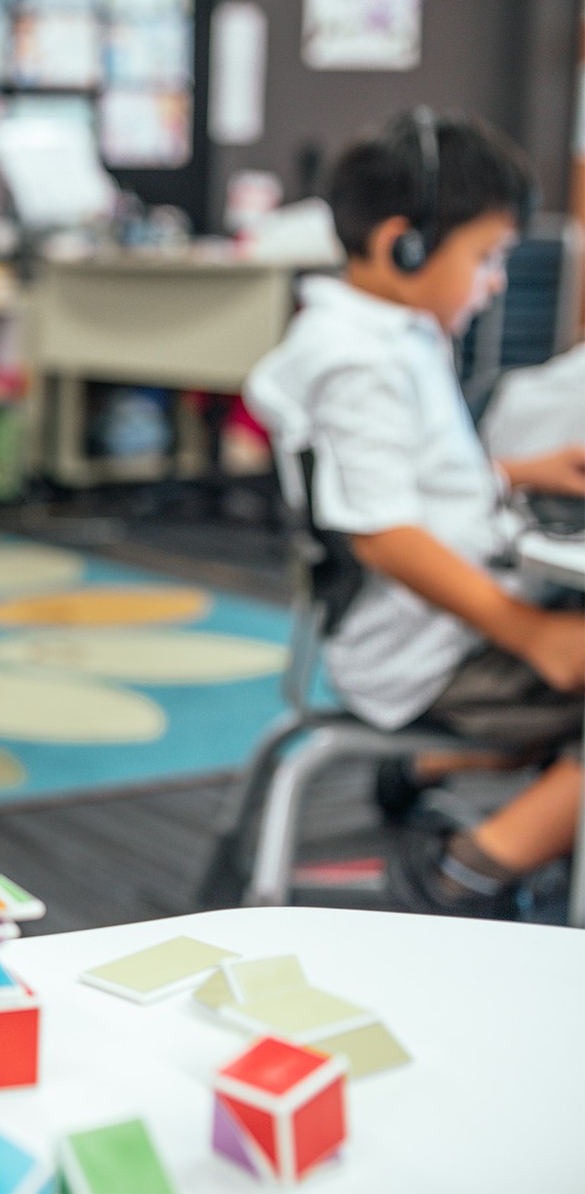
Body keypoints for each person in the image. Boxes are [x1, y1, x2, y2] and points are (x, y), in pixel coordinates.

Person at [245, 108, 585, 918]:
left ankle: (427, 773)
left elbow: (403, 480)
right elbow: (385, 534)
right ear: (406, 242)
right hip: (430, 649)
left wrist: (510, 472)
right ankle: (469, 870)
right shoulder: (359, 361)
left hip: (435, 630)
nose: (496, 279)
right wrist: (531, 632)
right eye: (486, 255)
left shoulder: (390, 330)